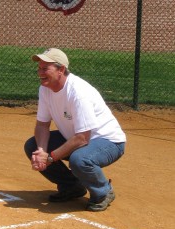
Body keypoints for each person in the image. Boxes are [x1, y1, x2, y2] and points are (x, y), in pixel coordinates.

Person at [24, 48, 126, 212]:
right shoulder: (45, 89)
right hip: (78, 138)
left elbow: (83, 138)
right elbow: (42, 125)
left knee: (79, 159)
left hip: (108, 142)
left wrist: (50, 158)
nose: (40, 73)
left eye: (45, 68)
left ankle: (103, 192)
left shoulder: (78, 92)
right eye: (39, 68)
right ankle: (72, 187)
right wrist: (42, 151)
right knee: (32, 146)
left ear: (61, 70)